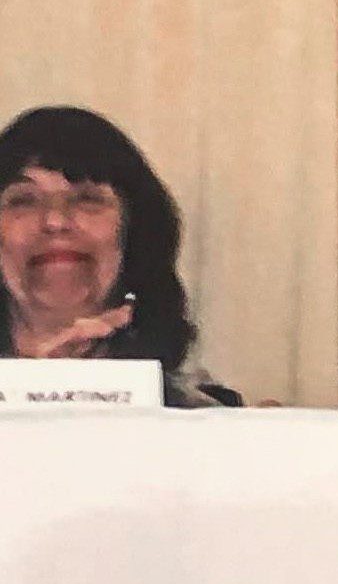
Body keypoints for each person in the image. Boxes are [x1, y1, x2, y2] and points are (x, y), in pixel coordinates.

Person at [0, 106, 239, 407]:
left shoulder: (208, 420)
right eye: (24, 201)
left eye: (86, 200)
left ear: (133, 232)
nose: (55, 221)